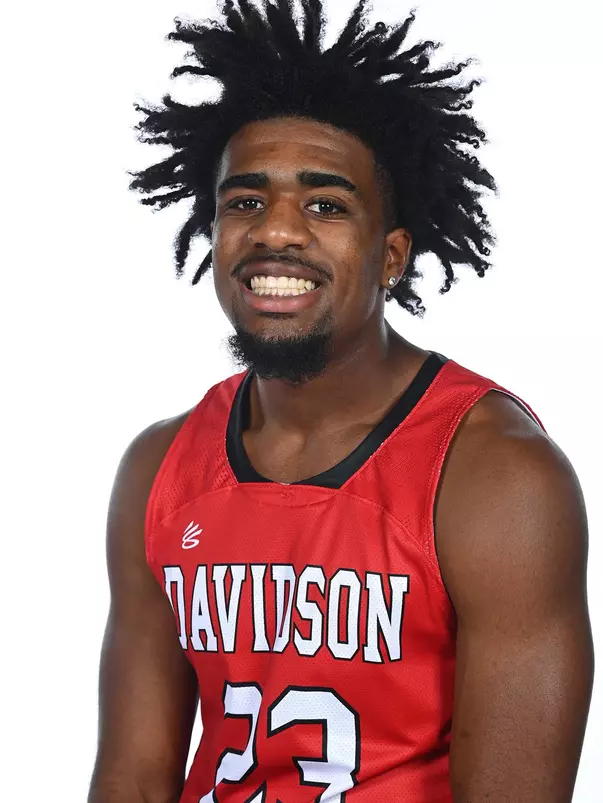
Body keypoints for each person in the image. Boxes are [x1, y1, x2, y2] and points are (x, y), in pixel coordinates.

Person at [88, 2, 593, 801]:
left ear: (390, 253)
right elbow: (133, 779)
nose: (276, 233)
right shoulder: (158, 466)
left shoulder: (496, 474)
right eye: (244, 202)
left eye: (325, 205)